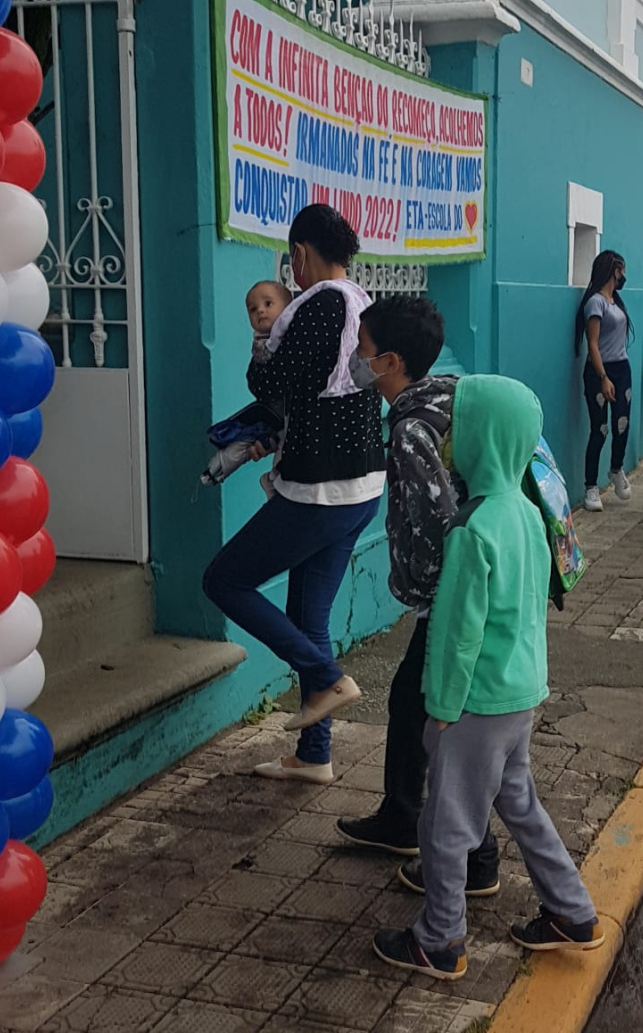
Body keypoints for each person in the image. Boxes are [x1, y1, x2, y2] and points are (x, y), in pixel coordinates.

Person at [372, 375, 604, 980]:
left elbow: (456, 633)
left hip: (472, 705)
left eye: (460, 427)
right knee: (519, 803)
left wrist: (440, 708)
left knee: (445, 826)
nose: (450, 440)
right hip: (519, 697)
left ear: (482, 439)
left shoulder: (472, 529)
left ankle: (440, 938)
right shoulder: (529, 514)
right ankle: (571, 911)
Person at [202, 204, 385, 783]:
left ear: (300, 254)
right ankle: (314, 756)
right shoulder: (361, 300)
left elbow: (272, 382)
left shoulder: (320, 305)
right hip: (359, 486)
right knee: (308, 613)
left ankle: (325, 676)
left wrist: (260, 349)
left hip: (320, 489)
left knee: (224, 580)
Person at [336, 296, 500, 893]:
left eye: (364, 350)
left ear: (392, 361)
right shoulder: (449, 395)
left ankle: (474, 860)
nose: (356, 358)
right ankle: (401, 816)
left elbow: (436, 520)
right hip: (471, 593)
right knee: (413, 704)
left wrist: (437, 597)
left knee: (446, 724)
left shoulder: (410, 430)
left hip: (452, 599)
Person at [201, 281, 292, 489]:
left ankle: (273, 483)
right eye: (253, 309)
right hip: (272, 417)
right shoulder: (260, 345)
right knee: (245, 439)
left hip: (291, 418)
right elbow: (257, 385)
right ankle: (216, 472)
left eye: (268, 304)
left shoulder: (293, 340)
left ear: (288, 308)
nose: (260, 310)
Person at [574, 251, 633, 512]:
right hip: (600, 371)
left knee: (622, 423)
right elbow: (593, 344)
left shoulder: (615, 301)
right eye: (622, 270)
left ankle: (616, 468)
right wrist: (603, 378)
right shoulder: (595, 303)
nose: (623, 276)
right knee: (600, 429)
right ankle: (590, 486)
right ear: (614, 270)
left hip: (622, 368)